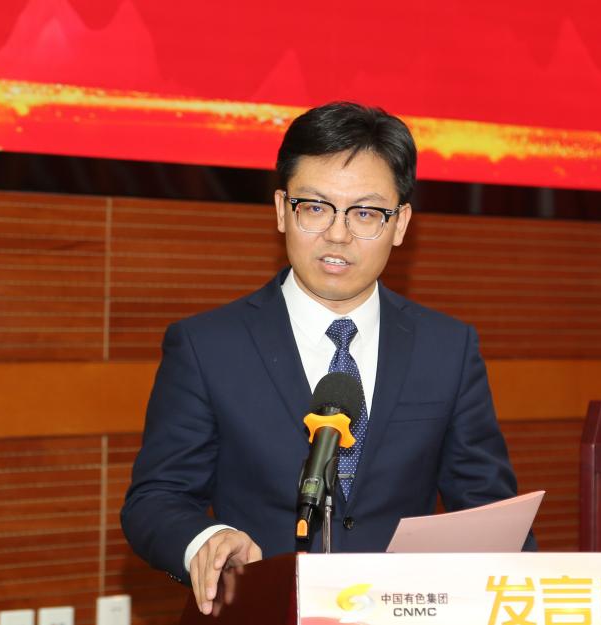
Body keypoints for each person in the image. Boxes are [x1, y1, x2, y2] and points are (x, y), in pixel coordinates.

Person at [121, 102, 534, 615]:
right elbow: (156, 499)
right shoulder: (208, 346)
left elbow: (490, 512)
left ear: (400, 223)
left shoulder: (447, 348)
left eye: (365, 213)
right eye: (315, 208)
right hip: (261, 613)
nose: (338, 234)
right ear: (282, 209)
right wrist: (206, 541)